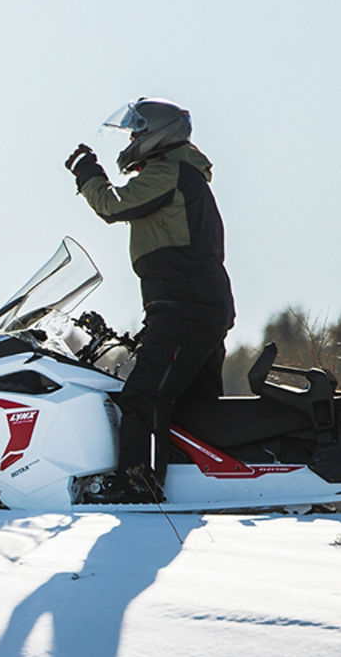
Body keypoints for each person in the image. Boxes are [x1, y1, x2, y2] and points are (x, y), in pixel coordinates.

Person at [65, 98, 234, 503]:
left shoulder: (169, 173)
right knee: (194, 406)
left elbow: (112, 205)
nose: (133, 139)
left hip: (184, 307)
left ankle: (138, 485)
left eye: (138, 131)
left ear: (159, 134)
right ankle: (203, 482)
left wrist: (88, 172)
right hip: (193, 305)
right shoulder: (183, 175)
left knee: (144, 395)